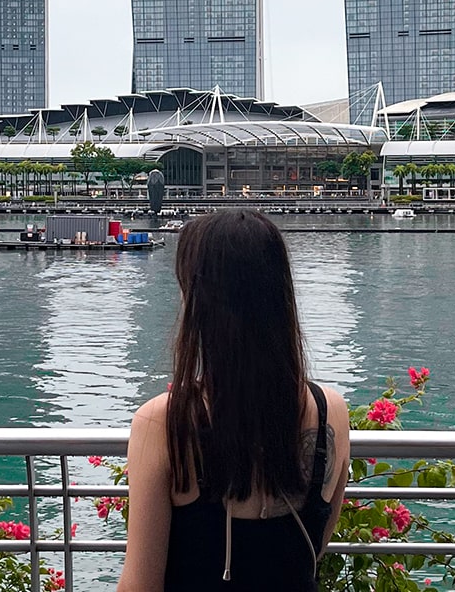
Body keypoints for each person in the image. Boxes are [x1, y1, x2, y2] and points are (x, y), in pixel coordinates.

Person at [117, 209, 349, 592]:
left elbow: (140, 584)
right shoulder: (330, 412)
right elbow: (313, 549)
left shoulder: (164, 423)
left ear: (198, 303)